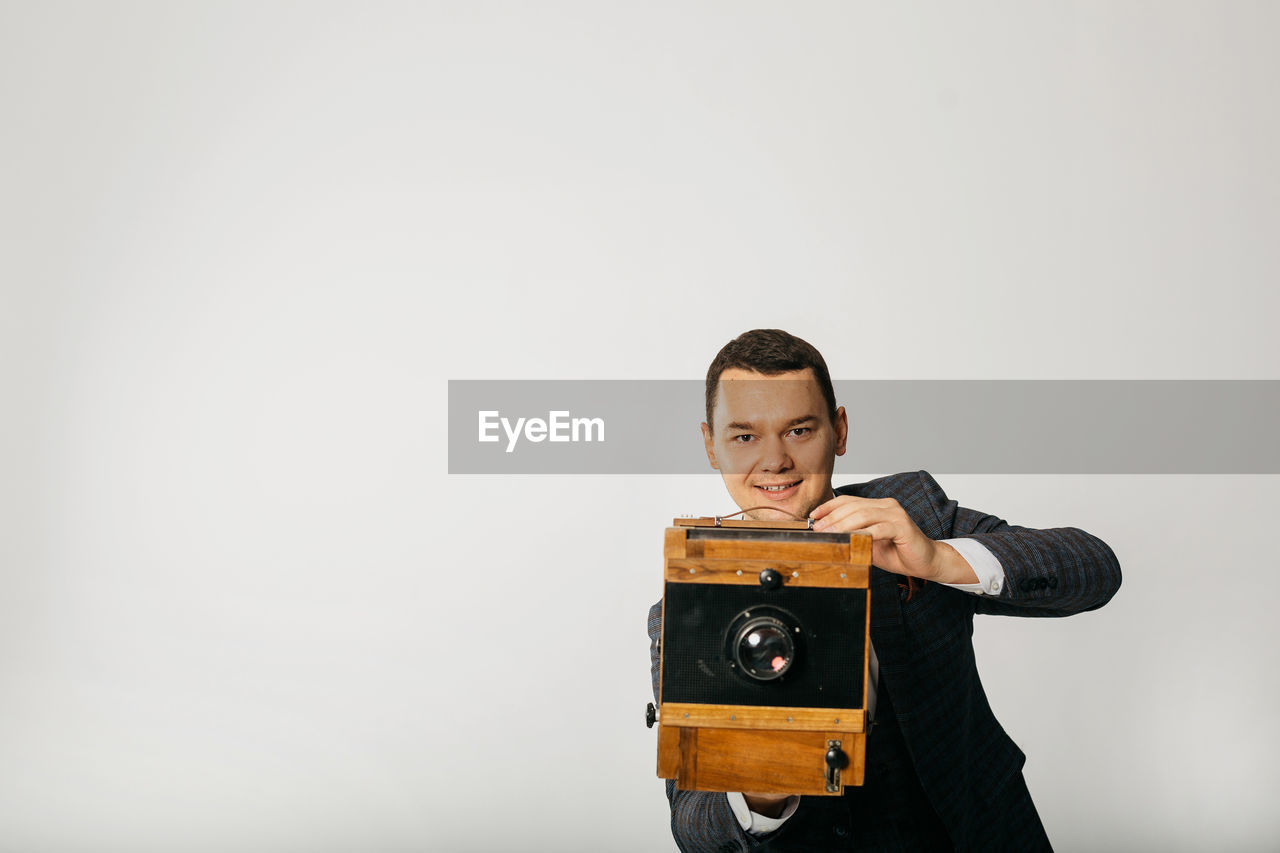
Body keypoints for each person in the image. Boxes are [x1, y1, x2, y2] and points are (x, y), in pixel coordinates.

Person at [647, 329, 1121, 852]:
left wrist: (939, 558)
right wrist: (759, 789)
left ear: (840, 430)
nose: (775, 460)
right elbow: (693, 826)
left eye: (800, 430)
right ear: (711, 447)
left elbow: (1096, 569)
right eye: (744, 437)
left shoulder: (911, 514)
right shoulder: (688, 602)